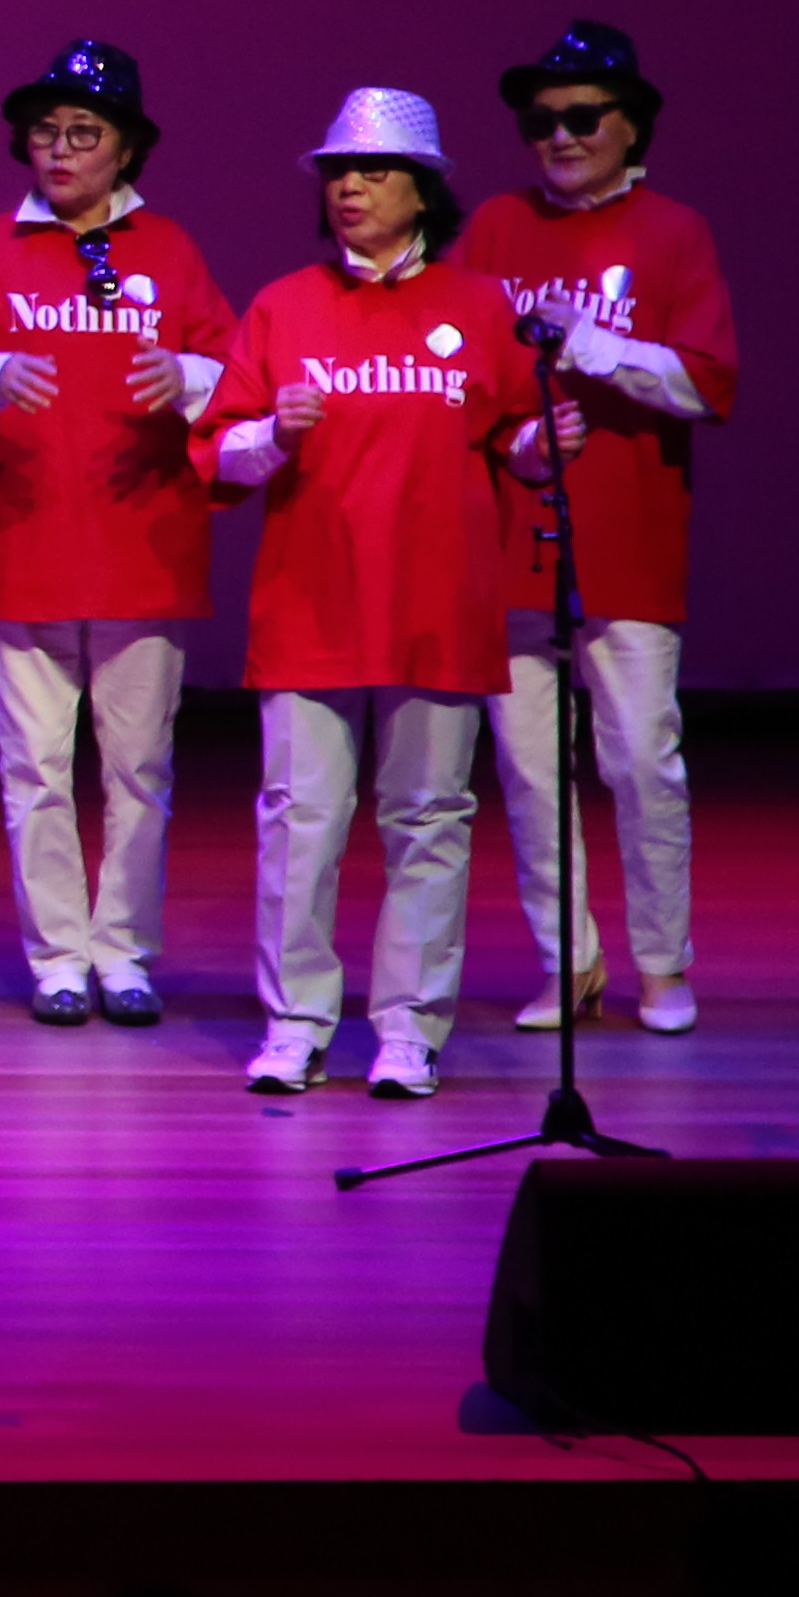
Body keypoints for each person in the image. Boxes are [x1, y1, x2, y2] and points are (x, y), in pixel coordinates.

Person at [201, 90, 543, 1097]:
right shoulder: (284, 305)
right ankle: (296, 1024)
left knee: (429, 818)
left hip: (437, 605)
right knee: (299, 819)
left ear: (423, 191)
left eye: (373, 171)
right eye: (337, 173)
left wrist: (544, 440)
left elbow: (517, 440)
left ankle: (409, 1029)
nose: (349, 187)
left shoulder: (480, 308)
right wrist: (275, 434)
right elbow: (220, 452)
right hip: (311, 602)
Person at [0, 39, 237, 1028]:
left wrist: (188, 378)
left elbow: (235, 371)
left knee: (140, 769)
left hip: (144, 543)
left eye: (83, 133)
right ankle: (58, 957)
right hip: (23, 542)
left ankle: (124, 952)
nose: (58, 149)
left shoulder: (169, 250)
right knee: (34, 768)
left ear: (126, 148)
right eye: (45, 132)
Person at [454, 21, 738, 1036]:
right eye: (541, 122)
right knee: (530, 771)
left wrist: (595, 345)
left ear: (632, 126)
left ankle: (661, 964)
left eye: (582, 117)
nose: (560, 138)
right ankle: (567, 962)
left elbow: (706, 383)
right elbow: (462, 369)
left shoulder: (674, 232)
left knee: (641, 764)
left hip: (627, 540)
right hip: (512, 537)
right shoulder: (495, 226)